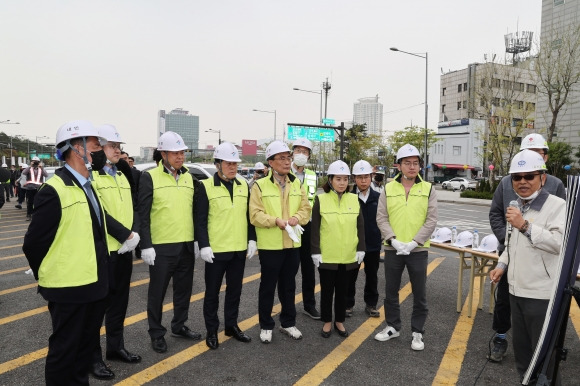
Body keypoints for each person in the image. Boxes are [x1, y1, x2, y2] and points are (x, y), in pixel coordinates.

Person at [22, 120, 128, 385]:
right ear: (75, 149)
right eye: (95, 146)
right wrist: (49, 273)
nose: (100, 150)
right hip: (68, 288)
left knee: (83, 352)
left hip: (93, 284)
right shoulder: (54, 190)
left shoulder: (88, 185)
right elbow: (33, 244)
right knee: (64, 352)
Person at [487, 133, 566, 363]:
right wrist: (502, 264)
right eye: (517, 177)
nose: (522, 181)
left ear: (542, 176)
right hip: (515, 289)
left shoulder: (557, 204)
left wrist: (524, 225)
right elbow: (511, 242)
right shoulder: (516, 204)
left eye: (529, 176)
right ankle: (501, 340)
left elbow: (559, 243)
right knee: (522, 356)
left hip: (540, 294)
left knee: (542, 360)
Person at [138, 131, 201, 354]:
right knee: (157, 293)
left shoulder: (188, 177)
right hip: (161, 248)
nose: (180, 156)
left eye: (182, 152)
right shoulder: (149, 177)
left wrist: (196, 240)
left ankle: (179, 325)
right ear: (163, 153)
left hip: (185, 246)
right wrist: (145, 244)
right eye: (175, 152)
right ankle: (156, 333)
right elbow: (142, 214)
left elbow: (194, 212)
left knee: (183, 291)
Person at [90, 124, 142, 379]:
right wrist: (125, 235)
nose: (117, 151)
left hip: (124, 251)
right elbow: (99, 213)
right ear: (99, 148)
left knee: (120, 303)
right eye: (112, 146)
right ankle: (93, 358)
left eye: (119, 147)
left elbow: (131, 207)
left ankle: (115, 347)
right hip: (105, 251)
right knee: (98, 307)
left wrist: (133, 236)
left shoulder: (121, 174)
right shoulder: (92, 176)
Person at [375, 144, 438, 351]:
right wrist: (392, 240)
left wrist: (414, 242)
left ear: (420, 165)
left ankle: (417, 331)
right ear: (399, 165)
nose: (412, 167)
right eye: (407, 163)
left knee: (419, 293)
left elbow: (431, 220)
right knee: (390, 291)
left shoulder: (428, 189)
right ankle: (393, 326)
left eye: (415, 163)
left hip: (417, 250)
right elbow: (382, 218)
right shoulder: (388, 188)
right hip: (394, 249)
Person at [195, 142, 256, 349]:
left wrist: (251, 240)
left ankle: (231, 326)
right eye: (228, 163)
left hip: (238, 250)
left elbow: (248, 217)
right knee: (212, 292)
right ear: (218, 164)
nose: (233, 167)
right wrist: (204, 245)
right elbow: (200, 220)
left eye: (235, 163)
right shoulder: (205, 187)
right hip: (216, 250)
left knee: (235, 291)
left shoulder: (242, 186)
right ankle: (212, 330)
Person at [249, 140, 311, 343]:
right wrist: (275, 221)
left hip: (292, 245)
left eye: (288, 158)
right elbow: (255, 215)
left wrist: (297, 219)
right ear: (271, 162)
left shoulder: (297, 183)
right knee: (267, 286)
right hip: (271, 245)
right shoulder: (259, 185)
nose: (287, 162)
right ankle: (266, 325)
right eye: (282, 158)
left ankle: (288, 323)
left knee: (289, 286)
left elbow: (306, 209)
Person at [311, 160, 365, 338]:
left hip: (348, 255)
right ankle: (327, 321)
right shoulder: (321, 199)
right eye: (338, 179)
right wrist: (315, 251)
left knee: (343, 291)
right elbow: (315, 228)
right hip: (327, 255)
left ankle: (339, 321)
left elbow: (360, 226)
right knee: (327, 291)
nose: (342, 183)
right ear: (330, 180)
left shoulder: (354, 199)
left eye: (345, 179)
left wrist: (361, 248)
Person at [346, 160, 382, 318]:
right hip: (353, 244)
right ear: (354, 178)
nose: (363, 180)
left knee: (372, 275)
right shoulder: (348, 197)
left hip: (373, 244)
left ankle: (371, 304)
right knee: (350, 276)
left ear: (372, 177)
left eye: (366, 177)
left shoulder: (379, 198)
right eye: (359, 177)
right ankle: (348, 304)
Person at [290, 138, 320, 320]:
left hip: (307, 227)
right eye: (298, 150)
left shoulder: (312, 175)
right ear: (292, 153)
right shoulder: (283, 173)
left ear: (309, 155)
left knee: (309, 270)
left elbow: (314, 201)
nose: (301, 154)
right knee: (289, 270)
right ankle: (287, 305)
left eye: (305, 151)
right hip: (288, 227)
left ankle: (309, 305)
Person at [21, 156, 48, 220]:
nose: (35, 163)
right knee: (30, 202)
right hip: (30, 188)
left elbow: (46, 175)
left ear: (39, 162)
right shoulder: (29, 169)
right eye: (34, 161)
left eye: (36, 162)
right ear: (31, 162)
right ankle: (29, 214)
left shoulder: (40, 169)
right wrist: (30, 166)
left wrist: (41, 167)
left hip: (39, 188)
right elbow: (23, 172)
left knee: (39, 202)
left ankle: (37, 214)